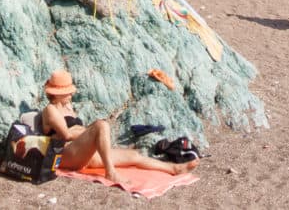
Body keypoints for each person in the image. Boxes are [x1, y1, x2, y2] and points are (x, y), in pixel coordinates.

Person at [37, 70, 195, 186]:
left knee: (133, 155)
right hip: (64, 155)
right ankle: (110, 172)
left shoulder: (68, 106)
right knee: (101, 125)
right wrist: (88, 131)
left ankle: (174, 168)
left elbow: (75, 131)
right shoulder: (51, 110)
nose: (71, 94)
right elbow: (65, 134)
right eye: (67, 92)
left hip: (80, 152)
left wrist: (85, 132)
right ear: (56, 94)